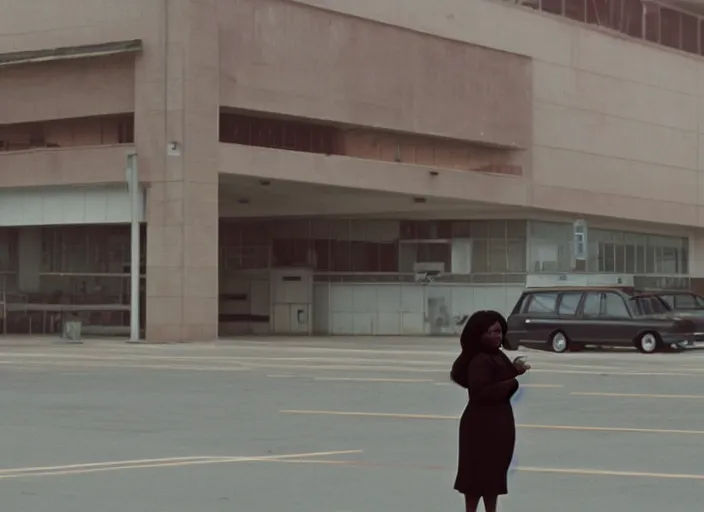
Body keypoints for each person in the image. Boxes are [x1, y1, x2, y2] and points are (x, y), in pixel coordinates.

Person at [450, 310, 531, 512]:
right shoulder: (480, 360)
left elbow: (498, 375)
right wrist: (511, 384)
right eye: (493, 332)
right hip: (481, 426)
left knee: (492, 478)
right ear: (480, 335)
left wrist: (515, 369)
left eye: (499, 332)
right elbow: (481, 392)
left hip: (496, 423)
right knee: (476, 478)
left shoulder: (496, 355)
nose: (498, 336)